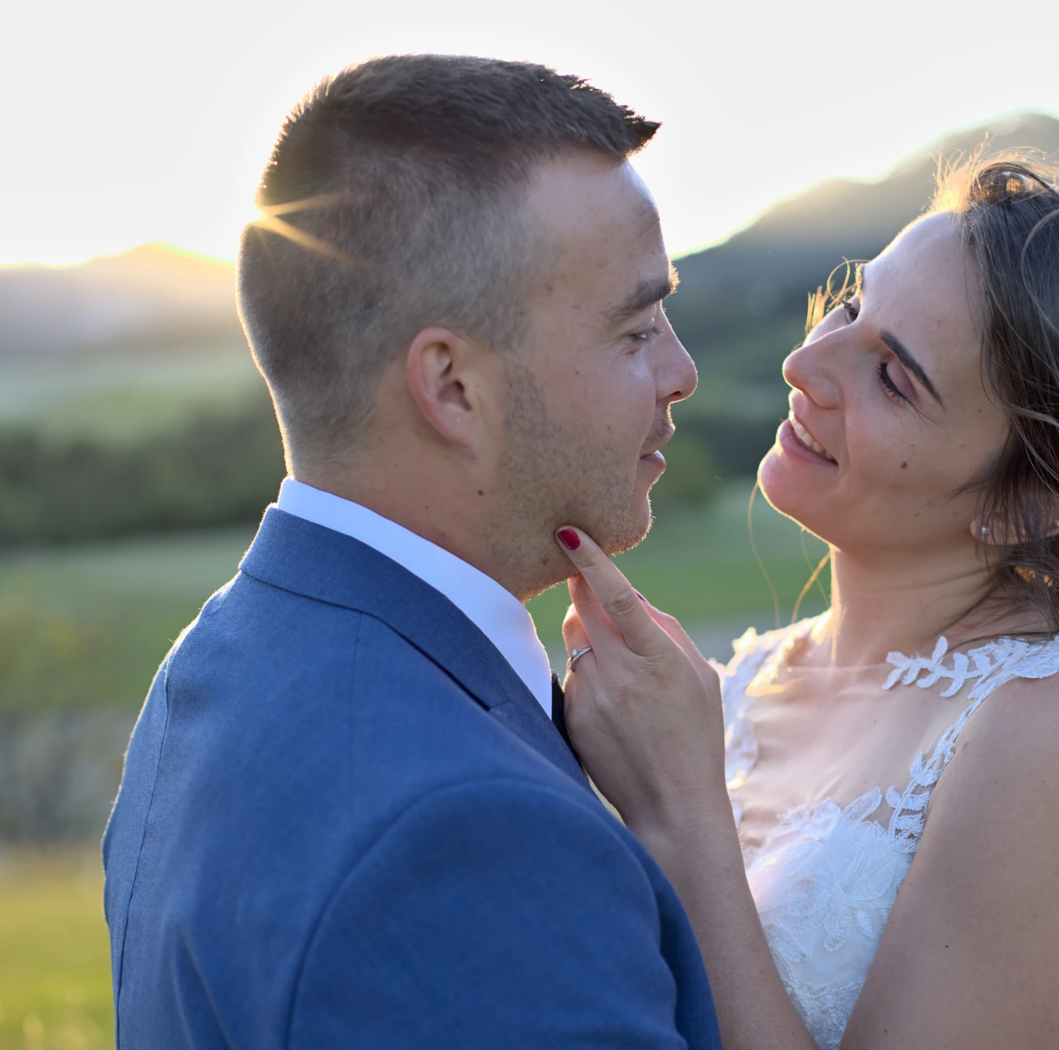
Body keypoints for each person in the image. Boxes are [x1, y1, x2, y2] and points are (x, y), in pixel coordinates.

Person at [554, 158, 1059, 1049]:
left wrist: (677, 810)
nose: (804, 362)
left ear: (1026, 504)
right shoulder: (752, 675)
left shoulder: (1055, 735)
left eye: (894, 376)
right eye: (851, 307)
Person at [102, 54, 721, 1047]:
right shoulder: (470, 836)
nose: (680, 372)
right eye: (635, 328)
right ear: (452, 388)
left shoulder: (206, 671)